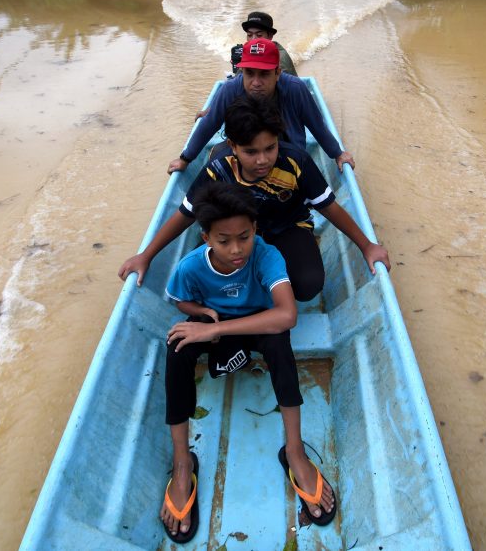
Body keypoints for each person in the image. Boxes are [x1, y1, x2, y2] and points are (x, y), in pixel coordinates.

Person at [159, 181, 337, 542]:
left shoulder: (266, 255)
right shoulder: (190, 267)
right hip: (217, 324)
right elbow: (180, 301)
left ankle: (295, 450)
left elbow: (286, 314)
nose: (237, 249)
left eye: (245, 236)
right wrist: (201, 316)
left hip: (256, 321)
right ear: (205, 236)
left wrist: (215, 330)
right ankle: (182, 464)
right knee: (176, 346)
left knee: (278, 341)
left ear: (255, 228)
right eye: (224, 241)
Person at [121, 95, 389, 302]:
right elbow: (185, 213)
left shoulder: (296, 162)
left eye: (270, 148)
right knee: (196, 283)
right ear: (233, 146)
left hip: (288, 227)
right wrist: (146, 255)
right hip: (235, 236)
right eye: (250, 151)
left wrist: (367, 246)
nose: (263, 160)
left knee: (308, 287)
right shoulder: (219, 168)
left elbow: (329, 208)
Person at [168, 37, 355, 175]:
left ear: (278, 73)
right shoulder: (230, 90)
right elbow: (209, 124)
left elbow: (317, 125)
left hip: (288, 152)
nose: (256, 82)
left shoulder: (296, 89)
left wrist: (337, 154)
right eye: (249, 73)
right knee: (216, 163)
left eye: (264, 74)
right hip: (245, 154)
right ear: (242, 71)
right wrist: (185, 159)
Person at [231, 11, 297, 76]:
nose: (253, 39)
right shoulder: (250, 51)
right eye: (249, 35)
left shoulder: (280, 60)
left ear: (270, 36)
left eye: (259, 35)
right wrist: (241, 65)